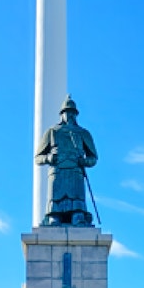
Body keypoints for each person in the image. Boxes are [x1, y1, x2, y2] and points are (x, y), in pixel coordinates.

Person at [35, 95, 97, 226]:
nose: (69, 115)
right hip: (57, 172)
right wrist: (49, 157)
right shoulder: (52, 132)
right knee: (55, 209)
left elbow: (93, 158)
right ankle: (54, 215)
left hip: (75, 173)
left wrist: (84, 161)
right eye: (67, 112)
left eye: (72, 112)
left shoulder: (83, 133)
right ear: (61, 114)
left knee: (77, 208)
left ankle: (78, 215)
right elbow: (38, 158)